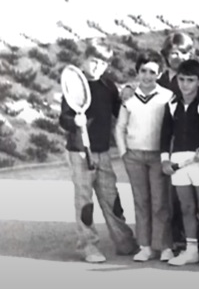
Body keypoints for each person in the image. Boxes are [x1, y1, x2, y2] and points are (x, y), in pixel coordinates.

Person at [59, 41, 138, 263]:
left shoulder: (108, 86)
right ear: (84, 60)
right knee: (85, 201)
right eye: (93, 61)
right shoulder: (75, 85)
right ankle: (88, 246)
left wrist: (130, 96)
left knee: (111, 197)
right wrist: (74, 121)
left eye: (103, 63)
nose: (97, 67)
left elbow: (119, 111)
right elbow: (63, 119)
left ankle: (124, 241)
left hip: (103, 152)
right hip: (80, 152)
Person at [114, 51, 175, 262]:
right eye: (143, 71)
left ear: (160, 74)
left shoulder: (167, 96)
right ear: (137, 72)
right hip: (134, 156)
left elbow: (172, 128)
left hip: (159, 156)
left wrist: (168, 155)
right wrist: (123, 153)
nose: (147, 76)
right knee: (141, 202)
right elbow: (120, 127)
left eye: (152, 72)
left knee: (160, 202)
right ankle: (145, 246)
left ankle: (164, 246)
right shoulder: (129, 98)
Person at [159, 59, 199, 267]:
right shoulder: (171, 105)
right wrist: (165, 160)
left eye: (190, 80)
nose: (185, 84)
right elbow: (165, 135)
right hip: (178, 162)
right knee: (186, 207)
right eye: (182, 79)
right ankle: (191, 250)